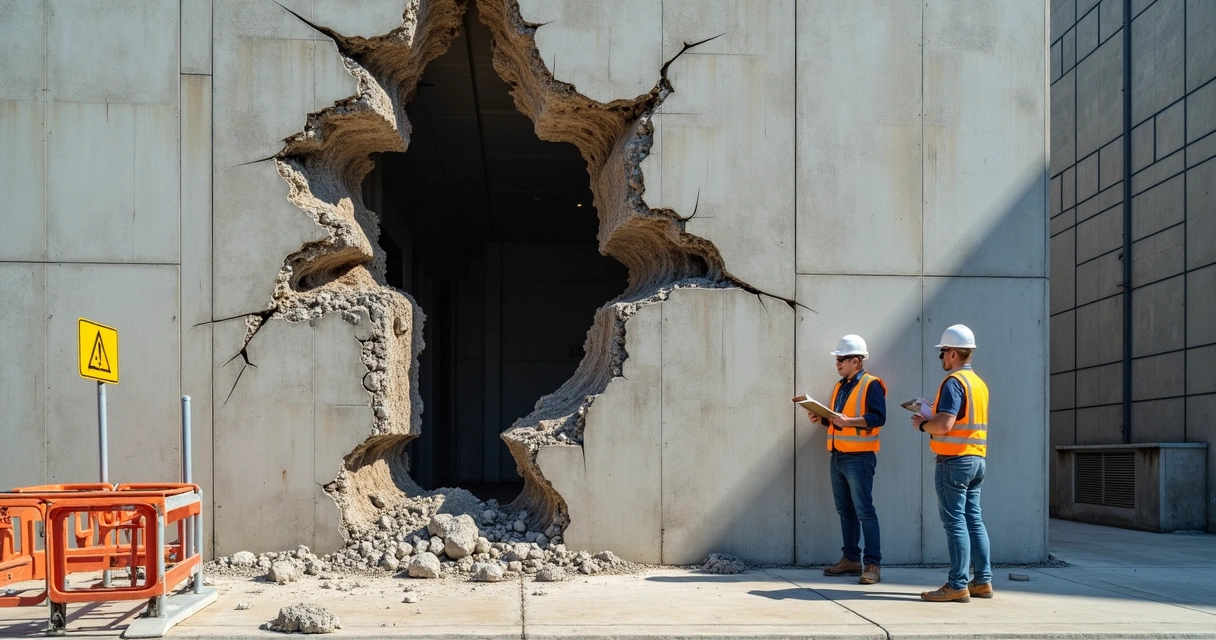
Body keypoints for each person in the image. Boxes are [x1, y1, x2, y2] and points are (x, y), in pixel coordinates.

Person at [911, 324, 993, 603]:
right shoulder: (979, 384)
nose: (941, 358)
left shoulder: (953, 382)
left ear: (954, 353)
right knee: (974, 519)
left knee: (955, 522)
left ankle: (957, 584)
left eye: (943, 352)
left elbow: (945, 425)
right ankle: (982, 581)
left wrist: (923, 424)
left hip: (954, 461)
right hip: (976, 460)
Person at [806, 335, 886, 585]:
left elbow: (878, 418)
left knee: (865, 511)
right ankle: (851, 559)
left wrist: (848, 421)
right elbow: (839, 421)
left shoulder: (871, 385)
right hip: (838, 456)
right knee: (845, 512)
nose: (837, 363)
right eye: (837, 359)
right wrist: (823, 419)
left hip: (860, 458)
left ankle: (872, 564)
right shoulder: (840, 386)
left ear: (856, 361)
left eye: (841, 359)